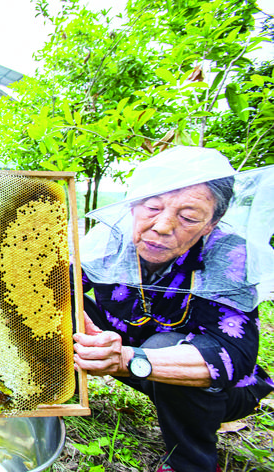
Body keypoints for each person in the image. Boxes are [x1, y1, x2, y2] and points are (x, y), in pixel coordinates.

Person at [72, 146, 274, 472]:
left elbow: (234, 355)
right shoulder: (110, 239)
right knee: (58, 305)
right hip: (129, 356)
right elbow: (52, 289)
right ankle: (56, 395)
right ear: (134, 205)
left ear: (211, 223)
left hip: (215, 387)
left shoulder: (229, 253)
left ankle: (190, 463)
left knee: (163, 345)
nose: (163, 226)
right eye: (152, 207)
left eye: (188, 217)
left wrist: (127, 359)